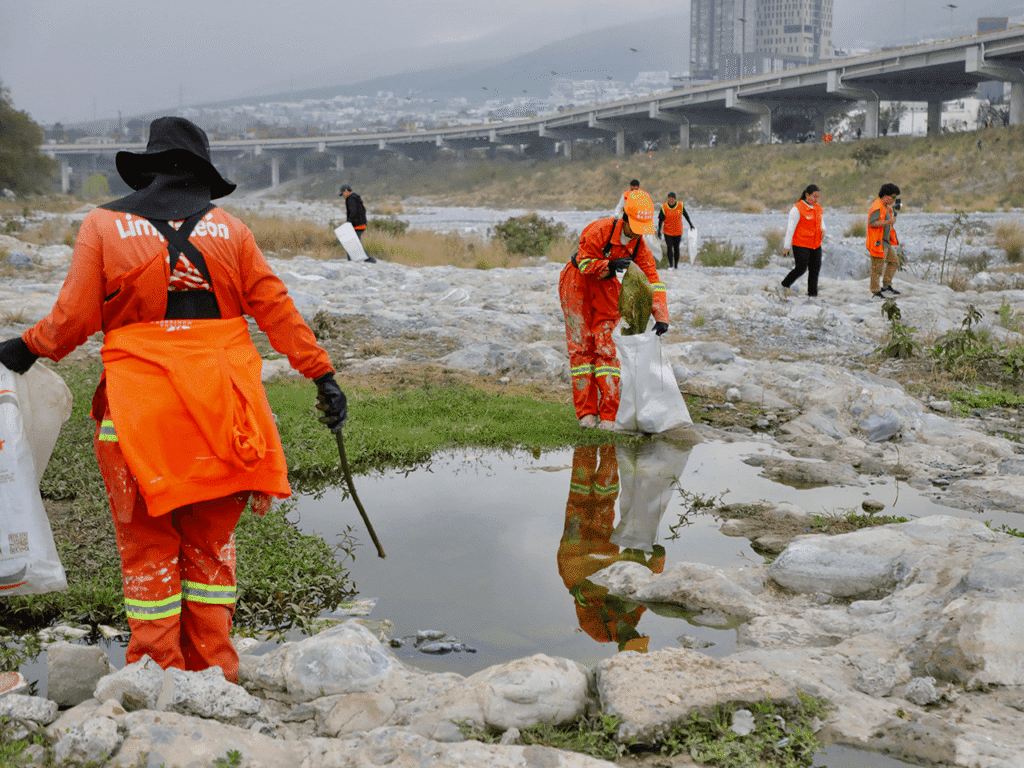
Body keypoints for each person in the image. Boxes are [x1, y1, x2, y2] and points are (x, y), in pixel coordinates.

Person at [0, 116, 348, 685]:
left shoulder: (104, 225)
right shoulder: (232, 232)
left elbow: (73, 321)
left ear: (150, 171)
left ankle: (155, 672)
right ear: (201, 176)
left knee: (147, 548)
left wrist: (25, 347)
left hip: (139, 419)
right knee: (211, 548)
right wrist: (322, 375)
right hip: (228, 416)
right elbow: (277, 310)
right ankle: (216, 672)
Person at [559, 188, 669, 430]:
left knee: (607, 351)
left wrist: (660, 315)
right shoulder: (599, 230)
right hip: (577, 288)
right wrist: (610, 265)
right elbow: (584, 263)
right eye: (635, 227)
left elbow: (653, 279)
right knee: (581, 349)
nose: (637, 233)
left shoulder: (639, 245)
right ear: (625, 218)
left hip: (608, 292)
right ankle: (587, 414)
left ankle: (609, 416)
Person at [779, 184, 825, 298]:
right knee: (801, 268)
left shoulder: (817, 207)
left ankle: (812, 295)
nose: (816, 199)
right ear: (807, 195)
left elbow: (821, 220)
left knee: (815, 269)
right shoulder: (797, 209)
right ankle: (784, 285)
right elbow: (790, 228)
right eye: (814, 196)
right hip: (801, 244)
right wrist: (786, 246)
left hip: (815, 244)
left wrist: (823, 229)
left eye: (818, 197)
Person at [866, 182, 902, 298]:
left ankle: (886, 285)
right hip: (878, 242)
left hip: (885, 242)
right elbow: (872, 223)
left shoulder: (886, 207)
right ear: (886, 195)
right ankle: (876, 291)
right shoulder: (877, 206)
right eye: (893, 197)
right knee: (877, 268)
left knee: (894, 262)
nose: (894, 200)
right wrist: (889, 222)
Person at [656, 192, 694, 269]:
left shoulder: (680, 206)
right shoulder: (664, 207)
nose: (671, 201)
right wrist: (659, 231)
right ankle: (671, 265)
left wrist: (691, 224)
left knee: (676, 248)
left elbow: (686, 216)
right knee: (669, 248)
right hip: (667, 232)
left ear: (675, 200)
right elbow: (660, 220)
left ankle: (676, 265)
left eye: (672, 200)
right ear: (668, 199)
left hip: (678, 231)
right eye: (669, 200)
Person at [339, 183, 376, 263]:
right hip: (361, 223)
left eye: (343, 193)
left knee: (352, 242)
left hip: (357, 225)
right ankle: (351, 259)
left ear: (346, 191)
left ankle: (369, 259)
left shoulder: (350, 198)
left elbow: (353, 212)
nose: (343, 195)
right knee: (351, 242)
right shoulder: (355, 197)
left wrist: (348, 223)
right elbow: (362, 210)